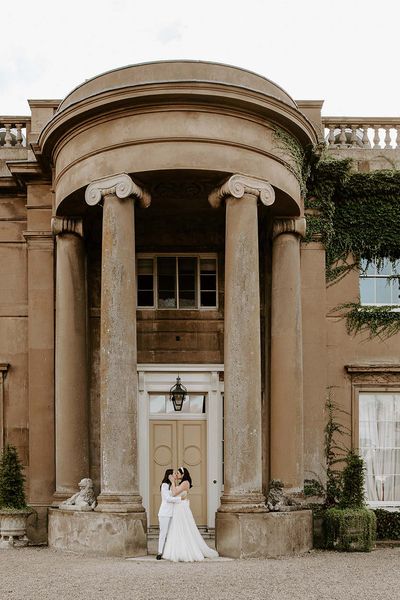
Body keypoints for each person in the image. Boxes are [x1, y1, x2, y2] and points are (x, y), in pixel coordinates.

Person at [162, 466, 219, 562]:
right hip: (178, 507)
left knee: (184, 528)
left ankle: (186, 551)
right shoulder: (181, 483)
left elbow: (175, 493)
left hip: (181, 508)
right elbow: (172, 493)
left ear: (183, 474)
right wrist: (173, 484)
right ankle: (176, 550)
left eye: (178, 474)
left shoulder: (185, 483)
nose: (177, 475)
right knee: (177, 527)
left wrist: (172, 482)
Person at [156, 468, 182, 560]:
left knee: (171, 533)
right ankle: (159, 552)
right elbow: (167, 498)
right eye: (174, 473)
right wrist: (180, 500)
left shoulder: (173, 485)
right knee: (163, 533)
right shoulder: (164, 485)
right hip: (165, 513)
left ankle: (169, 552)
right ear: (169, 475)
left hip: (173, 513)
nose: (175, 475)